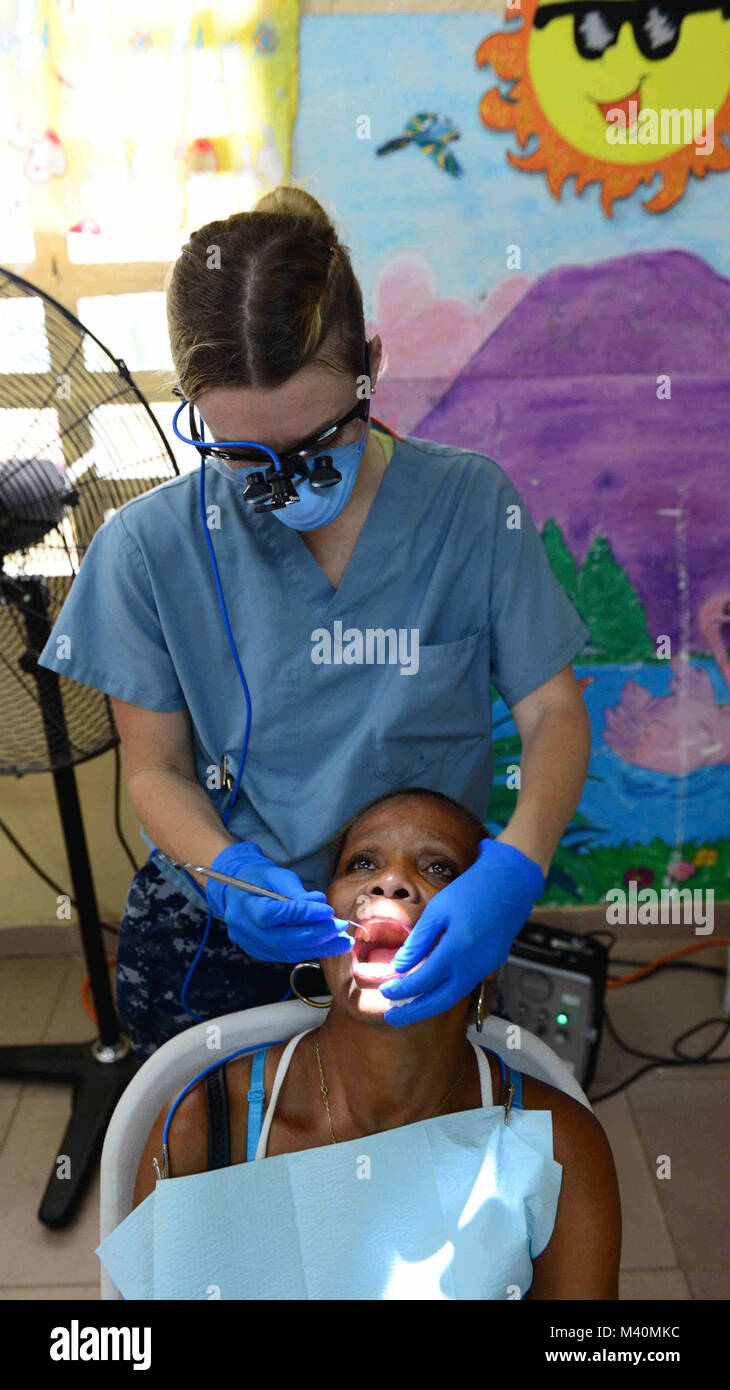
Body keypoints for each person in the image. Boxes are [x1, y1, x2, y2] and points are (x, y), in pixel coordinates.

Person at [37, 183, 592, 1060]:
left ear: (369, 364)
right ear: (189, 404)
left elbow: (553, 713)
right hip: (215, 941)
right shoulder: (151, 549)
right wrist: (231, 876)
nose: (286, 483)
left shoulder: (470, 507)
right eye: (244, 457)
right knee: (222, 1175)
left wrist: (514, 869)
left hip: (421, 919)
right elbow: (156, 773)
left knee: (402, 1167)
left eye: (316, 445)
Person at [126, 788, 621, 1301]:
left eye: (439, 869)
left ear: (489, 942)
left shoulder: (560, 1148)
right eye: (363, 863)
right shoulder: (203, 1125)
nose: (391, 881)